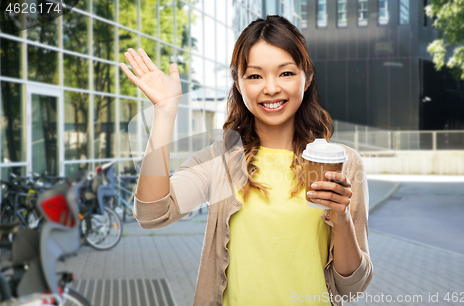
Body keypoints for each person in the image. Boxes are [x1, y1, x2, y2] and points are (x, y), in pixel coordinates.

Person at [120, 15, 373, 306]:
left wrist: (341, 218)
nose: (271, 88)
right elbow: (152, 214)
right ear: (239, 85)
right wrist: (164, 112)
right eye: (254, 76)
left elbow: (352, 286)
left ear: (307, 78)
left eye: (286, 73)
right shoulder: (221, 160)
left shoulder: (342, 164)